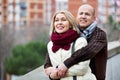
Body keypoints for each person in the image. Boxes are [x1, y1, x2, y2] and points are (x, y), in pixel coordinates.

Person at [54, 4, 108, 80]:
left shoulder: (100, 34)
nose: (83, 16)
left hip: (94, 77)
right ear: (77, 17)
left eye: (87, 14)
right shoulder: (73, 32)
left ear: (94, 18)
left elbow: (88, 51)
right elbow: (57, 44)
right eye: (81, 13)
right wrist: (47, 66)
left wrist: (66, 64)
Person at [44, 10, 96, 80]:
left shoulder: (80, 41)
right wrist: (51, 74)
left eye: (63, 20)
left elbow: (82, 68)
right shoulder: (50, 45)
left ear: (70, 24)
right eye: (56, 20)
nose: (59, 23)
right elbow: (47, 69)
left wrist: (55, 72)